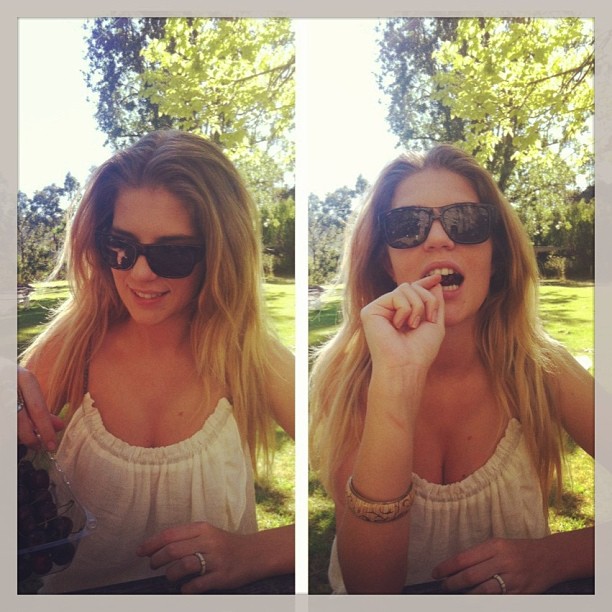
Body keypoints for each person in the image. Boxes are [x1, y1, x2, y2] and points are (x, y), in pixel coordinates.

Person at [17, 129, 295, 594]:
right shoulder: (75, 344)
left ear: (218, 255)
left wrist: (257, 551)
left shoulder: (248, 354)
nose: (140, 273)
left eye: (173, 253)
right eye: (120, 247)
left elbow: (357, 485)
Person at [309, 144, 594, 594]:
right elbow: (371, 588)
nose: (438, 239)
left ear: (497, 254)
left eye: (465, 221)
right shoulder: (341, 380)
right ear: (385, 260)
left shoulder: (543, 368)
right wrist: (396, 381)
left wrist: (555, 556)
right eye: (408, 225)